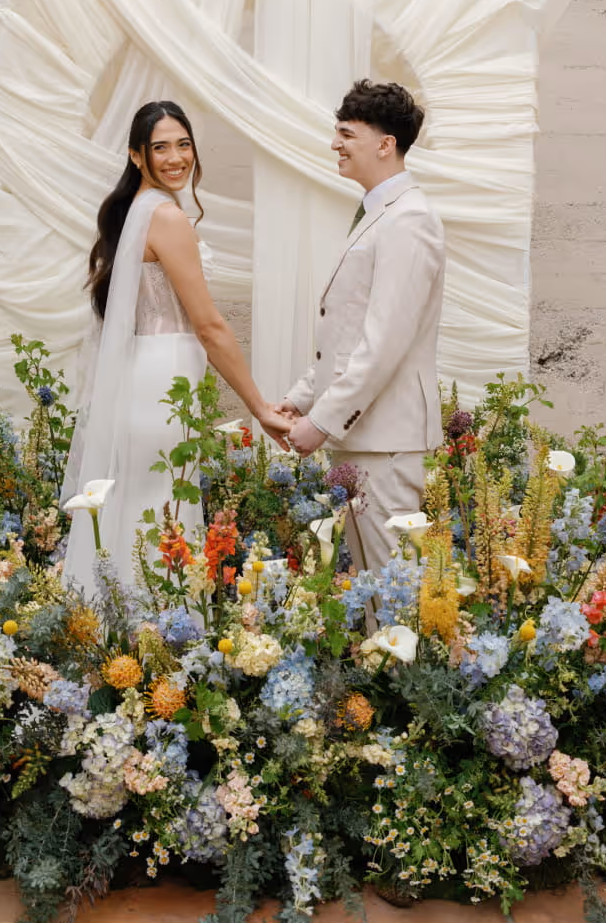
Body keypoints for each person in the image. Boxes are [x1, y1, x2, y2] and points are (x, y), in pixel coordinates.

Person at [61, 100, 292, 598]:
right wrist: (259, 407)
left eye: (183, 144)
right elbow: (208, 326)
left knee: (140, 506)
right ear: (137, 156)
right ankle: (159, 630)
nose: (175, 157)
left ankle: (119, 632)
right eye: (160, 147)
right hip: (163, 383)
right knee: (163, 509)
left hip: (143, 376)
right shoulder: (165, 216)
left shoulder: (136, 211)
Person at [278, 80, 445, 574]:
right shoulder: (381, 215)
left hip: (385, 441)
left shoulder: (409, 220)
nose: (336, 144)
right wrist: (302, 397)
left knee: (395, 593)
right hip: (365, 438)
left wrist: (323, 421)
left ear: (385, 144)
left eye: (346, 133)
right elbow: (348, 333)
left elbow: (384, 343)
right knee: (375, 589)